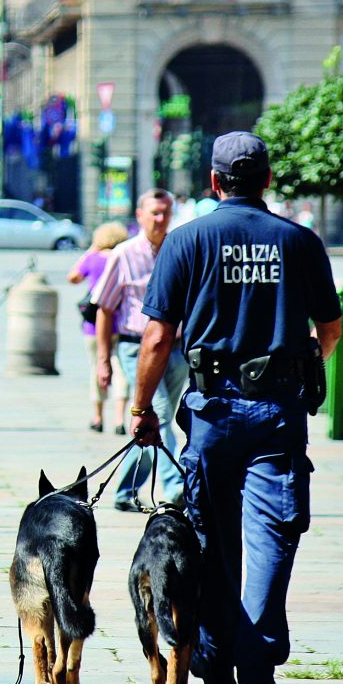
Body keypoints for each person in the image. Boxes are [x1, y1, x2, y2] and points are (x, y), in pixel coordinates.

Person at [130, 131, 343, 684]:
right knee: (273, 538)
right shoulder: (299, 242)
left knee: (209, 541)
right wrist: (298, 372)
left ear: (215, 182)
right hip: (278, 412)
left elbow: (156, 337)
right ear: (268, 180)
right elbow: (330, 329)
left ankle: (214, 662)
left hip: (210, 411)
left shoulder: (186, 240)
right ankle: (259, 671)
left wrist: (141, 409)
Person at [91, 188, 187, 511]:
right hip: (137, 348)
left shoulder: (180, 249)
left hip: (176, 349)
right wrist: (103, 360)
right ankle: (177, 487)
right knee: (155, 412)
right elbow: (104, 308)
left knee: (152, 422)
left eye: (166, 213)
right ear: (140, 216)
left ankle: (124, 492)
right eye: (154, 213)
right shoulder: (124, 254)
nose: (161, 219)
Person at [67, 221, 129, 433]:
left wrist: (90, 250)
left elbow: (73, 277)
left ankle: (97, 417)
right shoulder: (123, 258)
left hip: (94, 324)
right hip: (121, 322)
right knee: (121, 369)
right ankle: (120, 419)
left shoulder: (93, 259)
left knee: (96, 367)